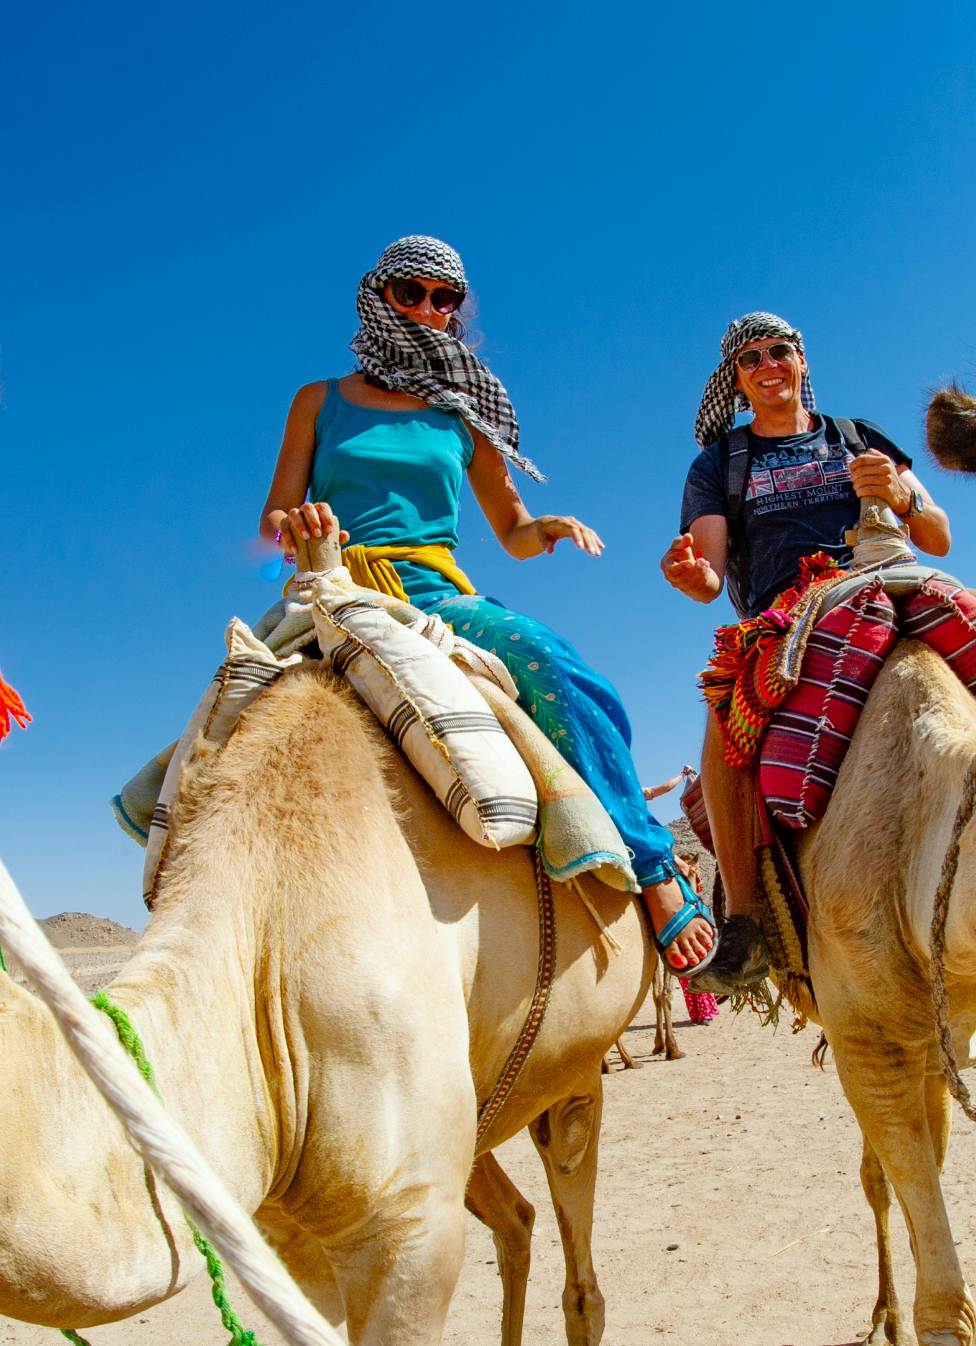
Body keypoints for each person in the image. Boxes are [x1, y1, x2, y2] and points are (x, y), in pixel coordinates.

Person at [260, 235, 713, 969]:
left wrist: (550, 525)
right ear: (377, 296)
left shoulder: (462, 414)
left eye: (446, 298)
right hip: (338, 585)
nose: (429, 308)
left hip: (435, 592)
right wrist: (299, 522)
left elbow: (511, 529)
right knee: (230, 720)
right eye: (411, 292)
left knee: (553, 665)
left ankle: (652, 868)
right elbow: (274, 513)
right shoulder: (320, 400)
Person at [660, 312, 955, 994]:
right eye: (752, 358)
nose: (769, 365)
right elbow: (708, 575)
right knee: (723, 709)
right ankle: (741, 918)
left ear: (801, 360)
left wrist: (900, 493)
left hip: (885, 576)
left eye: (780, 351)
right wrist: (689, 576)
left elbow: (936, 534)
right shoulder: (721, 464)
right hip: (786, 613)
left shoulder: (855, 438)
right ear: (736, 379)